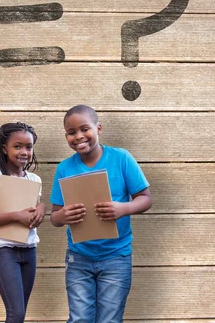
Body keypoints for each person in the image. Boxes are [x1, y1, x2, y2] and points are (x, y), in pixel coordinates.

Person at [50, 105, 152, 323]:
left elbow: (145, 199)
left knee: (109, 320)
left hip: (117, 256)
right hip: (78, 257)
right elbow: (54, 217)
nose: (78, 136)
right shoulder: (64, 168)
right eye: (71, 132)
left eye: (84, 129)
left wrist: (123, 208)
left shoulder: (122, 159)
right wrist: (64, 215)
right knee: (79, 319)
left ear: (99, 128)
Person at [0, 122, 45, 323]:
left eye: (29, 147)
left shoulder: (34, 179)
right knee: (16, 313)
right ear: (5, 148)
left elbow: (35, 214)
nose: (24, 151)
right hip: (4, 250)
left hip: (29, 249)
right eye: (17, 146)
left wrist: (41, 210)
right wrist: (16, 216)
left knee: (20, 312)